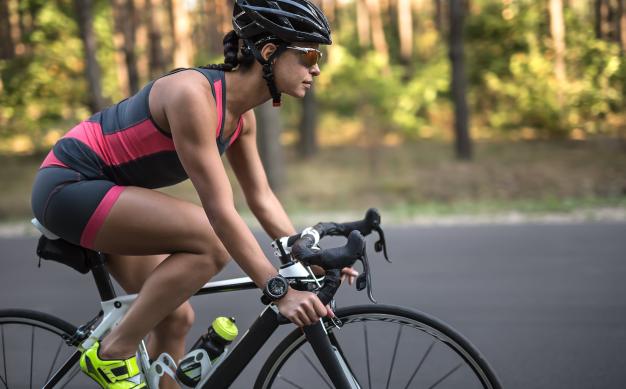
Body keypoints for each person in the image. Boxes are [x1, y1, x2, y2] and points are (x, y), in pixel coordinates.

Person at [30, 0, 357, 387]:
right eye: (309, 54)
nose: (316, 67)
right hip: (69, 185)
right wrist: (278, 289)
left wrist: (304, 260)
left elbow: (261, 198)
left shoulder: (241, 119)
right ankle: (112, 352)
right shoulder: (192, 95)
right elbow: (219, 212)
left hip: (112, 193)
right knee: (210, 243)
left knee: (175, 318)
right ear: (269, 52)